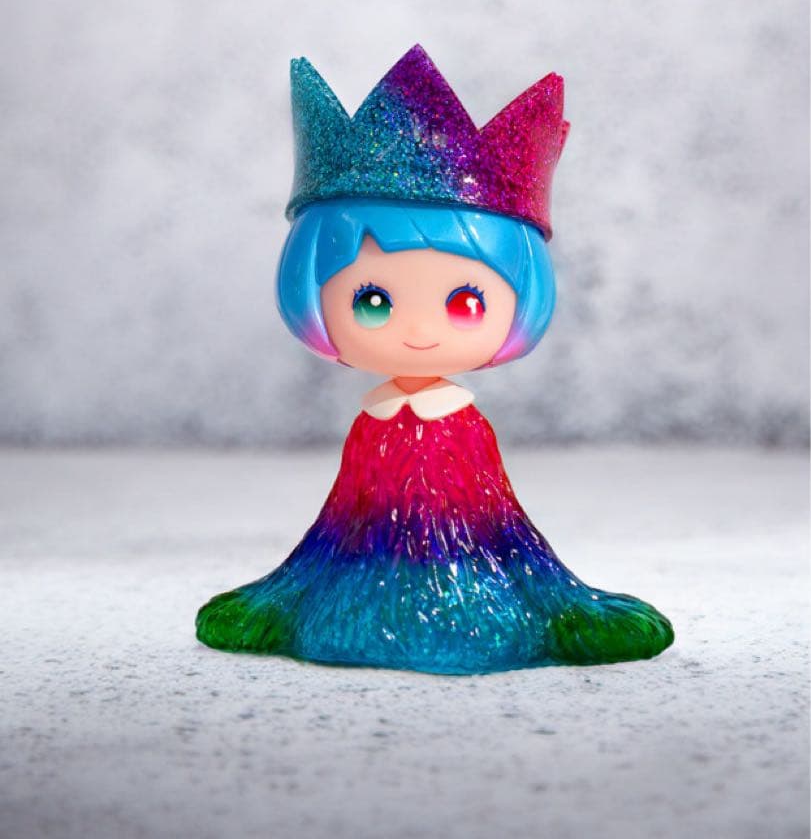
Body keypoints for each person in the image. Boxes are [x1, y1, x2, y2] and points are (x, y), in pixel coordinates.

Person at [196, 45, 674, 674]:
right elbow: (340, 523)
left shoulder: (464, 431)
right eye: (371, 302)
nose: (420, 330)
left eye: (466, 303)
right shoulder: (372, 428)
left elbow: (502, 528)